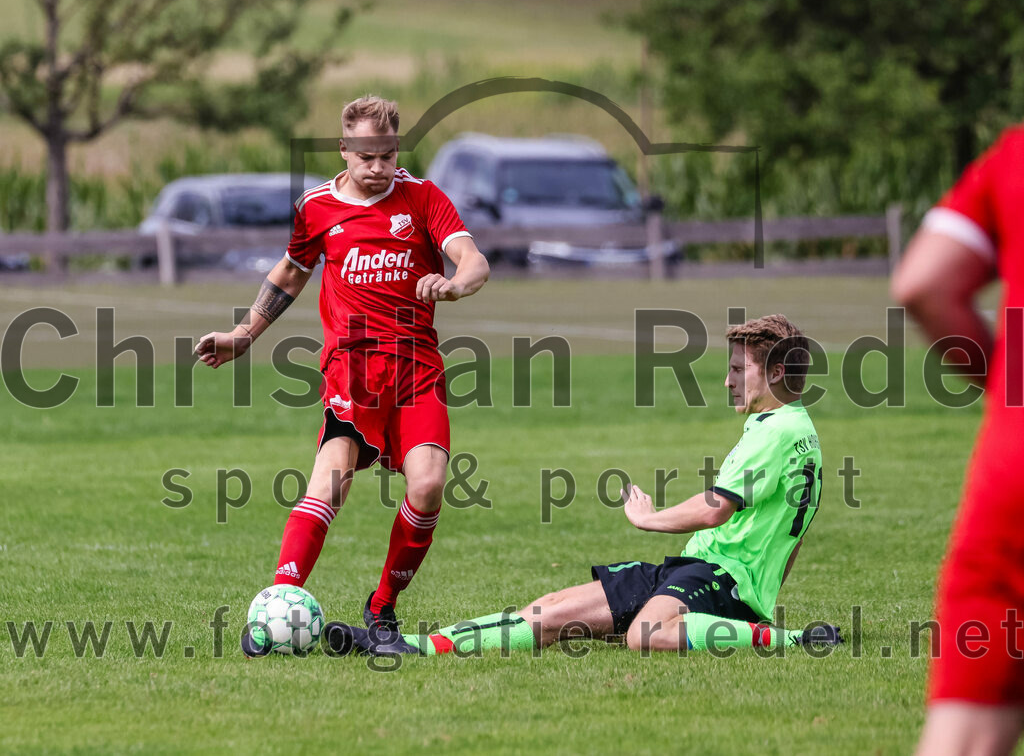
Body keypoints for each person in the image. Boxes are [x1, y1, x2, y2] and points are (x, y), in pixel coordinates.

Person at [325, 315, 843, 657]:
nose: (728, 380)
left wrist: (649, 518)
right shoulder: (795, 431)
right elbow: (784, 536)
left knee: (646, 635)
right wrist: (765, 585)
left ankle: (789, 640)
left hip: (723, 581)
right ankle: (408, 645)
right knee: (552, 611)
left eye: (737, 369)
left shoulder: (779, 433)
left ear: (775, 372)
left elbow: (715, 509)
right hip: (703, 571)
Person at [194, 95, 490, 655]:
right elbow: (289, 273)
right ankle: (281, 601)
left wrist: (453, 283)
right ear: (345, 149)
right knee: (330, 481)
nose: (378, 167)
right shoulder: (317, 208)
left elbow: (474, 260)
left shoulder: (423, 198)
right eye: (367, 156)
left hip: (418, 372)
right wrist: (243, 334)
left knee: (427, 488)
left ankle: (382, 612)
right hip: (351, 370)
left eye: (388, 155)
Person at [892, 127, 1024, 756]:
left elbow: (922, 283)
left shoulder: (1016, 153)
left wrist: (1008, 389)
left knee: (966, 736)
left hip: (1013, 474)